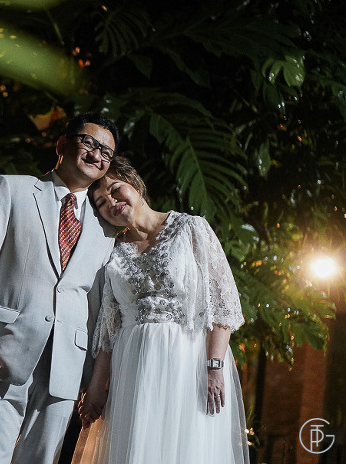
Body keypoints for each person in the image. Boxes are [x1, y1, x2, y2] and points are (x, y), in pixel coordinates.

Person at [0, 113, 120, 464]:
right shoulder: (11, 189)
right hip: (0, 350)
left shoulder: (105, 227)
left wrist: (92, 376)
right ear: (62, 144)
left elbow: (97, 304)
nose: (96, 155)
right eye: (89, 143)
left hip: (67, 362)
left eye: (106, 152)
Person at [73, 156, 249, 464]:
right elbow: (108, 327)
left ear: (135, 185)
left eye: (115, 189)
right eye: (101, 203)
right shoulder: (111, 251)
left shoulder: (191, 228)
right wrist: (97, 386)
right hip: (133, 367)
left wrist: (214, 367)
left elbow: (223, 303)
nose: (111, 202)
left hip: (187, 363)